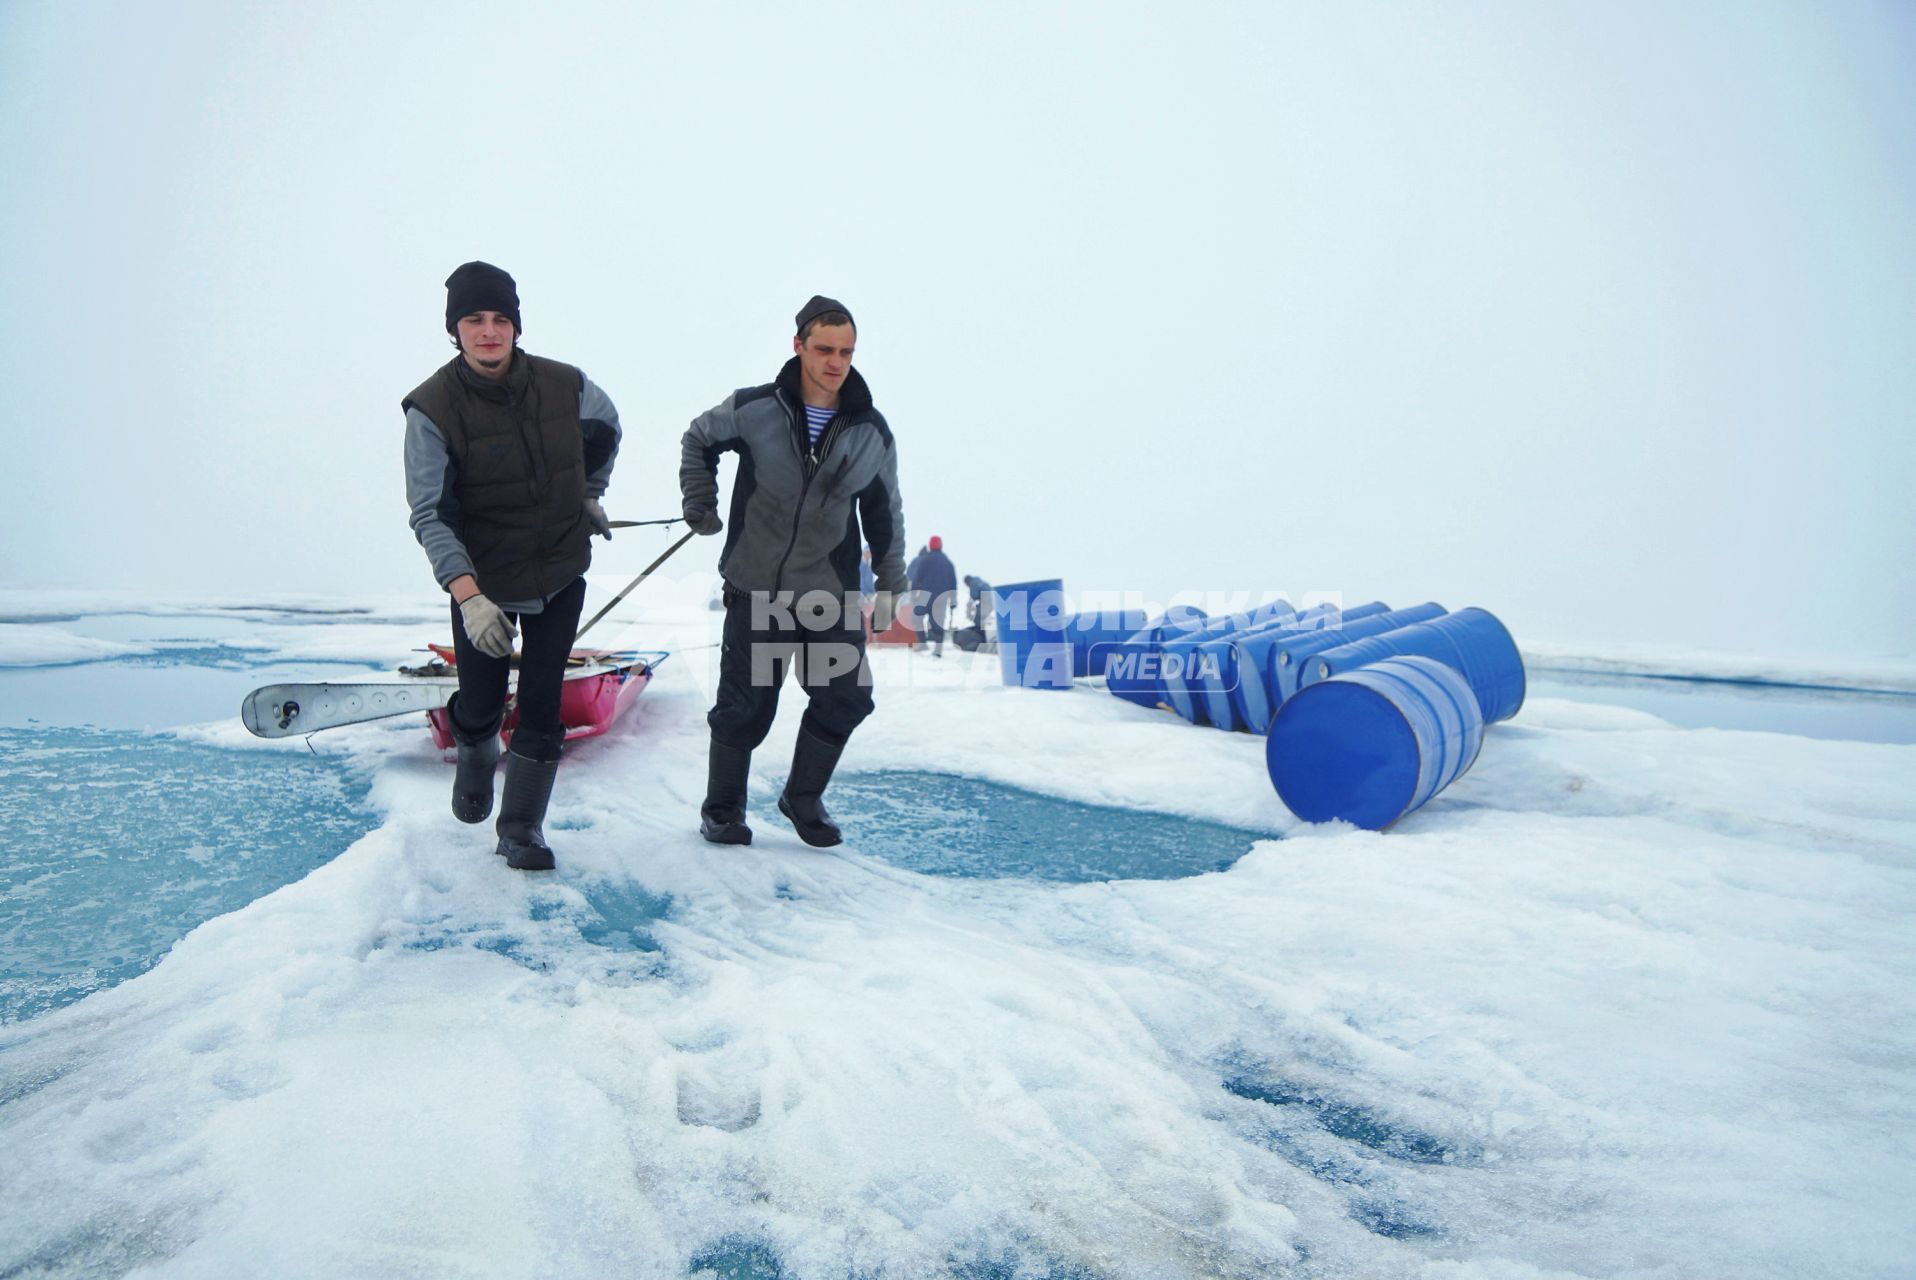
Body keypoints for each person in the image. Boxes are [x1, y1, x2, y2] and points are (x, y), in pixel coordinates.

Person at [403, 261, 621, 871]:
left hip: (558, 566)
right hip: (486, 580)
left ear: (517, 326)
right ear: (456, 328)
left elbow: (606, 429)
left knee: (544, 701)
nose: (489, 331)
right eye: (475, 319)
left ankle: (522, 827)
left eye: (501, 319)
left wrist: (588, 493)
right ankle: (474, 753)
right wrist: (470, 598)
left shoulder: (566, 385)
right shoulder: (431, 409)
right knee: (482, 696)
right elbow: (430, 514)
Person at [679, 295, 907, 847]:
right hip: (756, 588)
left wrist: (891, 586)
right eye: (825, 349)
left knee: (846, 696)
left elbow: (884, 511)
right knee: (745, 708)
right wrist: (699, 501)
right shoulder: (756, 408)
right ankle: (723, 809)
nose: (835, 362)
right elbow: (698, 439)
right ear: (799, 345)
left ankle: (802, 798)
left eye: (846, 352)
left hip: (826, 592)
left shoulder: (870, 431)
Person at [906, 535, 958, 657]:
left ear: (930, 546)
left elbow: (916, 578)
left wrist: (913, 594)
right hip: (942, 597)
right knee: (938, 622)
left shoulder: (925, 560)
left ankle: (923, 643)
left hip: (925, 595)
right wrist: (953, 601)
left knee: (917, 618)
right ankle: (938, 649)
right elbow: (953, 583)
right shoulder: (948, 563)